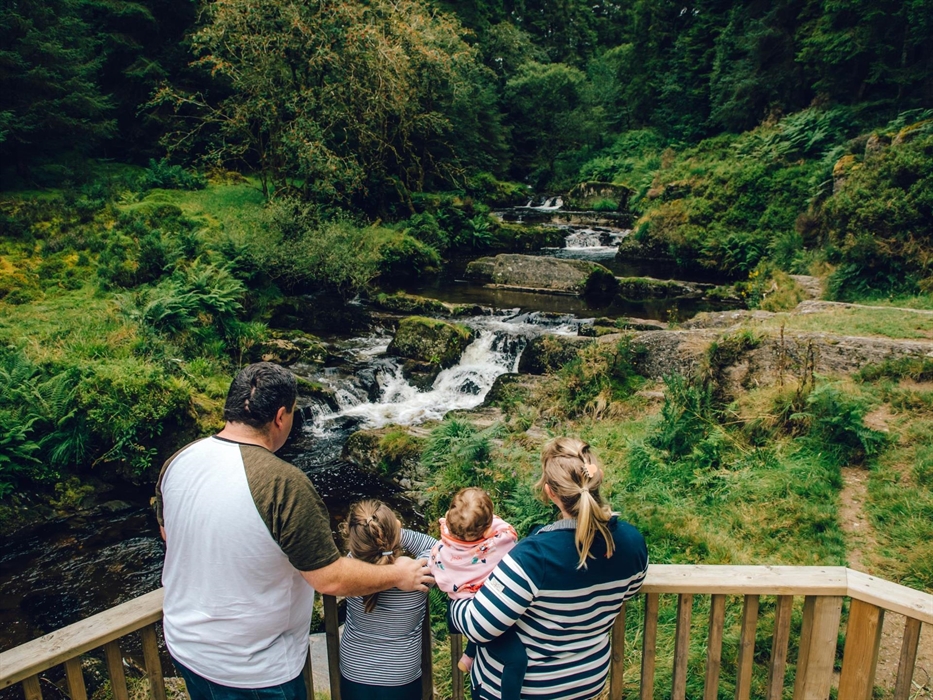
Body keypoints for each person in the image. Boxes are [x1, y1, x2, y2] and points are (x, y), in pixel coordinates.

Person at [154, 362, 433, 700]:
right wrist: (397, 575)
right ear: (281, 416)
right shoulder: (283, 483)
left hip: (187, 646)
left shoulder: (179, 460)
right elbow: (329, 578)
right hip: (255, 668)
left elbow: (170, 535)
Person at [449, 437, 649, 700]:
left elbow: (479, 626)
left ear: (549, 492)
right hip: (585, 683)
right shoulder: (632, 543)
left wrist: (455, 604)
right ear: (596, 479)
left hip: (525, 689)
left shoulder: (534, 557)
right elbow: (628, 591)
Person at [429, 487, 524, 699]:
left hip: (461, 607)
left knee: (481, 633)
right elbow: (509, 534)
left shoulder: (445, 547)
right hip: (487, 610)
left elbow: (435, 567)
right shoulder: (496, 545)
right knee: (516, 660)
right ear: (487, 526)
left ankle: (469, 655)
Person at [338, 500, 438, 700]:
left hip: (354, 671)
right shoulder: (420, 575)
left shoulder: (349, 570)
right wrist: (395, 532)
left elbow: (362, 550)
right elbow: (435, 546)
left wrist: (382, 533)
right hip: (401, 675)